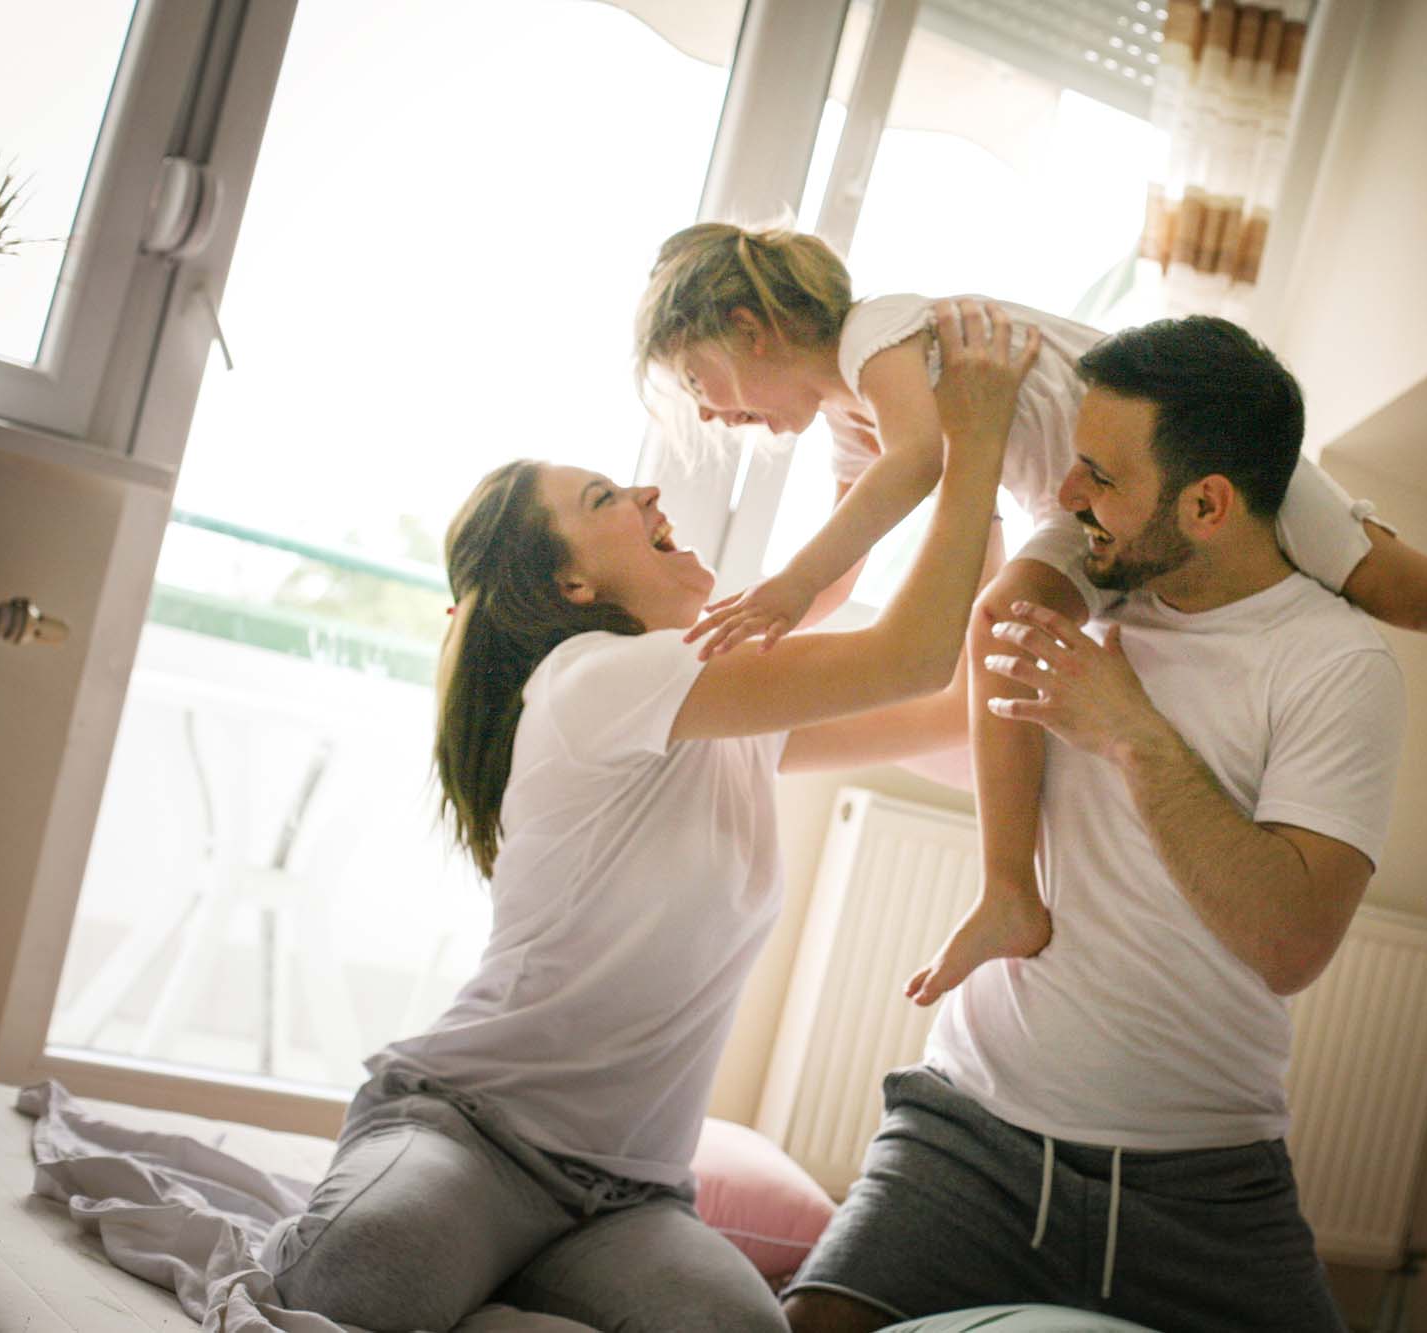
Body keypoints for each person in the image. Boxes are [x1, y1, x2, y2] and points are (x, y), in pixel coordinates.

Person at [633, 222, 1427, 1010]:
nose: (712, 413)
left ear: (749, 324)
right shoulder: (846, 417)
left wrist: (779, 594)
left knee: (1408, 588)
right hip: (1088, 514)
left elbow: (921, 462)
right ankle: (1010, 890)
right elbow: (845, 554)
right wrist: (744, 627)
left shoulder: (880, 333)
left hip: (1159, 467)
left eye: (700, 381)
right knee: (1005, 617)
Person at [258, 302, 1037, 1333]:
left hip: (628, 1197)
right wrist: (963, 449)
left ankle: (494, 1294)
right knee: (361, 1284)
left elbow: (941, 704)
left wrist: (948, 490)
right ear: (570, 581)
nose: (648, 491)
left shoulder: (728, 717)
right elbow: (907, 652)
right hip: (469, 1133)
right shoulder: (589, 681)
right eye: (604, 497)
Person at [781, 316, 1403, 1333]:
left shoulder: (1337, 668)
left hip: (1206, 1185)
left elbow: (1287, 942)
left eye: (1099, 477)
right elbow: (955, 638)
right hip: (970, 1131)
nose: (1066, 495)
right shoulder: (1076, 566)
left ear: (1206, 504)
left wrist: (1132, 734)